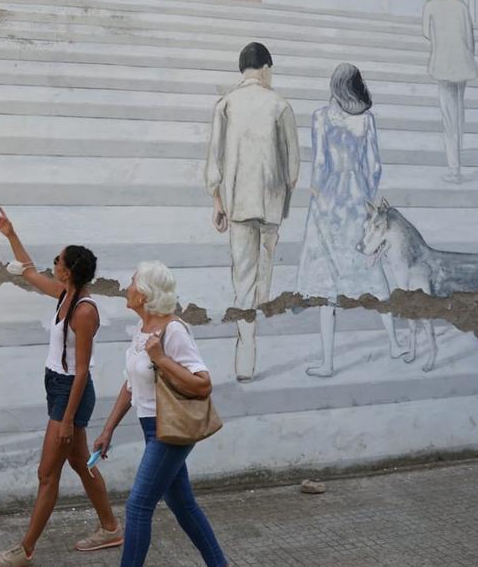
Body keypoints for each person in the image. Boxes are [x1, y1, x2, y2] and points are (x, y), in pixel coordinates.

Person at [0, 208, 121, 567]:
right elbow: (29, 271)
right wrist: (11, 234)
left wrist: (66, 419)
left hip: (70, 393)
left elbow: (80, 373)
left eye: (57, 261)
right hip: (58, 388)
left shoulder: (84, 311)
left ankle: (25, 549)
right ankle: (110, 527)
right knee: (80, 461)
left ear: (67, 270)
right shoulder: (65, 294)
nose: (53, 265)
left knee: (47, 473)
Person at [93, 261, 229, 567]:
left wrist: (161, 358)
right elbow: (131, 385)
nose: (126, 288)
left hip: (170, 429)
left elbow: (203, 384)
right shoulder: (142, 331)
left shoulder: (174, 330)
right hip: (152, 429)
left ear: (143, 294)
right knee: (182, 504)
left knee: (138, 506)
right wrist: (108, 430)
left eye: (131, 282)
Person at [297, 63, 405, 377]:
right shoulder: (367, 120)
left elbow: (319, 164)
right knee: (373, 272)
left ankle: (329, 362)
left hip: (328, 204)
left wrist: (318, 193)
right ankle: (395, 343)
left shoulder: (320, 117)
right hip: (358, 199)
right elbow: (374, 167)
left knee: (327, 282)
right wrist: (364, 193)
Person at [205, 42, 300, 382]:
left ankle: (245, 356)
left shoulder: (225, 105)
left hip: (238, 204)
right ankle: (262, 301)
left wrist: (218, 202)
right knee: (264, 270)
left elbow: (214, 160)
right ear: (264, 68)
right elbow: (293, 168)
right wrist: (283, 198)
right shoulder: (280, 105)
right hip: (272, 204)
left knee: (242, 279)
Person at [422, 0, 478, 184]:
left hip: (443, 66)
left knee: (448, 119)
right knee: (458, 115)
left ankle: (454, 169)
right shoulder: (462, 6)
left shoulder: (431, 6)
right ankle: (457, 164)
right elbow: (470, 38)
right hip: (462, 64)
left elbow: (425, 33)